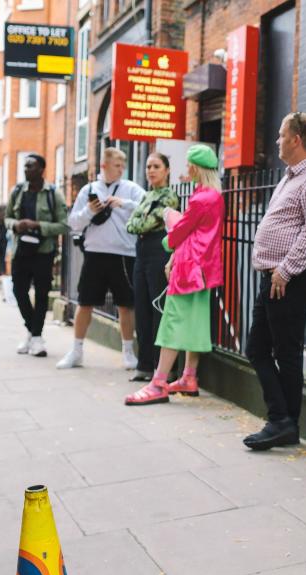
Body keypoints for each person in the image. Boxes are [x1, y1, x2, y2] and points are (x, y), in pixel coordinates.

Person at [242, 112, 306, 450]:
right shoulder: (290, 177)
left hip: (290, 278)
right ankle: (281, 419)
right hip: (274, 277)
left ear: (296, 139)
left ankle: (283, 422)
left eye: (281, 135)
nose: (277, 141)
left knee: (287, 352)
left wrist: (285, 270)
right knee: (257, 348)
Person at [124, 145, 223, 406]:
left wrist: (169, 230)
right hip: (204, 269)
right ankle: (189, 376)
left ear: (195, 167)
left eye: (189, 163)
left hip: (189, 268)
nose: (186, 168)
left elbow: (180, 232)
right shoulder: (213, 195)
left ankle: (158, 383)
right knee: (195, 323)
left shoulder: (202, 198)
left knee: (172, 322)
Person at [60, 147, 146, 370]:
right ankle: (76, 351)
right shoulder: (89, 189)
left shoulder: (131, 189)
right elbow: (73, 223)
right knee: (85, 302)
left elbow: (148, 208)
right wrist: (89, 211)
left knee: (126, 305)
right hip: (95, 254)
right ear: (104, 166)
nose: (121, 170)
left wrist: (124, 203)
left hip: (124, 254)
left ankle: (128, 352)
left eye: (122, 166)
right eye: (117, 165)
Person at [4, 155, 70, 357]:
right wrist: (16, 225)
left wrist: (38, 226)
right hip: (21, 251)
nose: (26, 169)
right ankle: (33, 333)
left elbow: (64, 225)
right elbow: (7, 218)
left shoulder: (53, 194)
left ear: (41, 169)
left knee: (42, 294)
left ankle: (36, 338)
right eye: (25, 166)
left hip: (43, 252)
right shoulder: (17, 191)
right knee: (18, 291)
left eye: (30, 166)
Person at [125, 153, 180, 382]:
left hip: (159, 251)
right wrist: (139, 223)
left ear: (167, 170)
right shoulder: (147, 196)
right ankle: (144, 364)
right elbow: (131, 225)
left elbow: (144, 223)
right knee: (142, 309)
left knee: (159, 309)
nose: (151, 170)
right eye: (148, 166)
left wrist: (139, 222)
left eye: (156, 166)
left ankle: (162, 368)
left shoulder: (170, 196)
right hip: (141, 252)